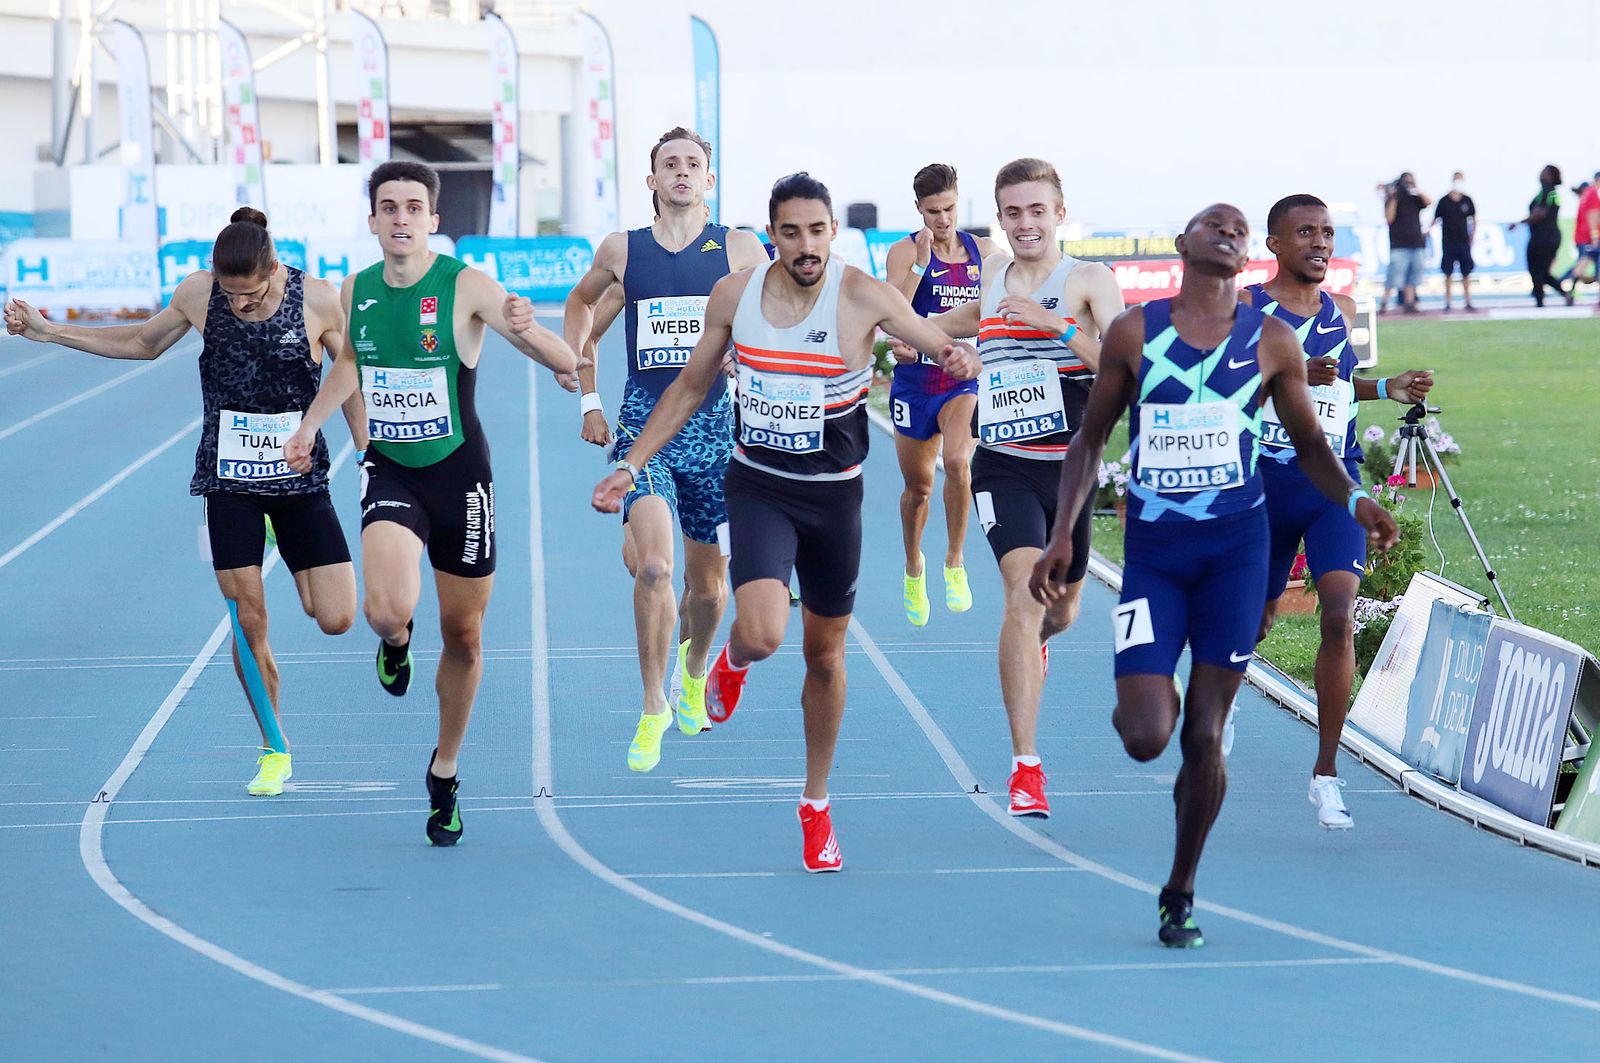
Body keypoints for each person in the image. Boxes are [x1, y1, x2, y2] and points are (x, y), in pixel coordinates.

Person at [1029, 203, 1397, 948]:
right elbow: (1089, 440)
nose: (1227, 230)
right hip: (1157, 562)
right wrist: (1063, 533)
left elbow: (1313, 443)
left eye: (1236, 226)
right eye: (1214, 223)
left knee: (1204, 733)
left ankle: (1180, 888)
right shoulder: (1137, 332)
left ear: (1241, 254)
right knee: (1145, 733)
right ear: (1184, 245)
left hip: (1236, 557)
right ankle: (1148, 685)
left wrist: (1357, 500)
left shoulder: (1271, 342)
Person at [592, 173, 980, 872]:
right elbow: (687, 386)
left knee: (826, 657)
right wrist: (633, 459)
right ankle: (732, 661)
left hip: (834, 497)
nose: (806, 245)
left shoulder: (861, 294)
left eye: (818, 230)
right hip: (761, 487)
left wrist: (957, 351)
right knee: (767, 632)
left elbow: (928, 334)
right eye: (792, 232)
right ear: (770, 236)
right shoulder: (736, 297)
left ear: (834, 231)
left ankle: (816, 802)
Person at [4, 208, 364, 796]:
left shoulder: (318, 300)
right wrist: (49, 331)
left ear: (274, 268)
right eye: (230, 295)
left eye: (249, 295)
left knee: (335, 617)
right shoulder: (199, 293)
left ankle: (283, 539)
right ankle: (275, 747)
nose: (239, 305)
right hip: (227, 479)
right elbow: (143, 343)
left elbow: (348, 374)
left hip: (298, 478)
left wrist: (369, 455)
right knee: (248, 617)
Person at [284, 160, 580, 846]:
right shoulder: (354, 290)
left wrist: (548, 343)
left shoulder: (464, 285)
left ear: (432, 220)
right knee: (385, 607)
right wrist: (309, 426)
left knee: (467, 635)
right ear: (373, 220)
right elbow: (351, 365)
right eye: (388, 207)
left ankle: (445, 771)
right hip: (391, 469)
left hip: (461, 476)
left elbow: (546, 347)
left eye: (413, 207)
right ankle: (395, 639)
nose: (400, 218)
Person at [906, 158, 1123, 818]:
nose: (1024, 223)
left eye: (1036, 211)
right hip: (1001, 463)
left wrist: (1054, 325)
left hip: (1072, 469)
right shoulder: (994, 269)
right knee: (1025, 597)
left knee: (1059, 613)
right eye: (1012, 212)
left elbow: (1124, 360)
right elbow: (973, 314)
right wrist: (928, 337)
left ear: (1060, 213)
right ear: (999, 218)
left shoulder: (1087, 279)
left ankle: (1038, 647)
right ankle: (1026, 765)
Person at [563, 127, 769, 773]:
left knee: (708, 591)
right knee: (654, 568)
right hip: (642, 429)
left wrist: (747, 355)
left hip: (715, 435)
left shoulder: (738, 247)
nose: (682, 171)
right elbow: (579, 306)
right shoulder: (624, 251)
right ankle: (653, 702)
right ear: (650, 180)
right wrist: (586, 395)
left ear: (709, 178)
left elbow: (777, 312)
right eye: (669, 164)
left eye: (693, 163)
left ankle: (693, 666)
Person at [1244, 194, 1434, 830]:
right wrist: (1286, 377)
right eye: (1304, 233)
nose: (1320, 243)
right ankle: (1223, 691)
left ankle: (1326, 772)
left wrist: (1385, 387)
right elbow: (1218, 387)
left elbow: (1337, 381)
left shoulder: (1343, 310)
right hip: (1264, 480)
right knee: (1257, 620)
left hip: (1333, 485)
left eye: (1326, 232)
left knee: (1337, 617)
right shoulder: (1247, 309)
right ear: (1275, 244)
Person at [881, 164, 1005, 626]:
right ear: (919, 209)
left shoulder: (986, 251)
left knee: (958, 461)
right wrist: (920, 259)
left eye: (949, 209)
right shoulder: (903, 251)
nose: (943, 219)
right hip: (916, 384)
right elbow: (890, 310)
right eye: (933, 211)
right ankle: (915, 564)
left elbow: (999, 308)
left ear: (958, 202)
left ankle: (955, 562)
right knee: (918, 489)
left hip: (962, 381)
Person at [1511, 165, 1571, 308]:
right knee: (1541, 270)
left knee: (1537, 269)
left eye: (1544, 172)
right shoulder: (1547, 193)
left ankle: (1540, 299)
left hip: (1544, 236)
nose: (1540, 175)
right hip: (1547, 236)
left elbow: (1541, 213)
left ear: (1550, 176)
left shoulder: (1548, 192)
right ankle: (1562, 294)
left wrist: (1520, 223)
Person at [1379, 173, 1430, 314]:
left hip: (1416, 242)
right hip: (1399, 244)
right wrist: (1394, 197)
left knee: (1412, 276)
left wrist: (1416, 190)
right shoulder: (1393, 199)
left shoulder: (1415, 199)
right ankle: (1384, 303)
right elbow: (1389, 218)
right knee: (1394, 276)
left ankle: (1410, 303)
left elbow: (1428, 202)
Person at [1432, 172, 1477, 312]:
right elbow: (1436, 219)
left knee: (1466, 273)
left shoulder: (1467, 200)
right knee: (1448, 273)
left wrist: (1472, 236)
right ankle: (1448, 301)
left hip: (1463, 241)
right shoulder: (1444, 201)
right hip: (1448, 241)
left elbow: (1473, 219)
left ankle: (1468, 300)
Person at [1560, 171, 1600, 303]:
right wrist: (1595, 237)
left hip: (1582, 237)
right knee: (1583, 265)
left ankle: (1569, 290)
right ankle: (1567, 289)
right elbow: (1593, 216)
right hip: (1589, 238)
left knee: (1583, 265)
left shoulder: (1586, 194)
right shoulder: (1593, 194)